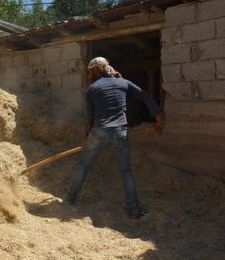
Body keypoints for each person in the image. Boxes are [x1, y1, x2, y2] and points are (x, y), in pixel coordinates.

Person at [65, 57, 165, 219]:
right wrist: (158, 116)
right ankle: (134, 210)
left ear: (94, 71)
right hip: (120, 131)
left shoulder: (91, 89)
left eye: (90, 71)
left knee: (83, 166)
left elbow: (90, 117)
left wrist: (87, 138)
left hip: (99, 131)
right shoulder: (123, 83)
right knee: (126, 171)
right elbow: (145, 96)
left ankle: (69, 200)